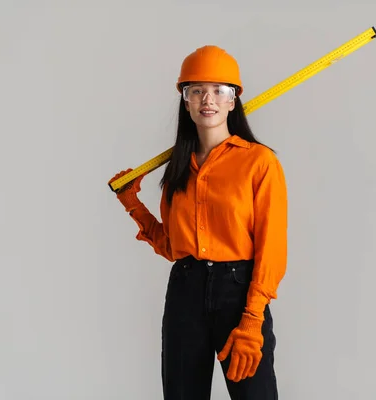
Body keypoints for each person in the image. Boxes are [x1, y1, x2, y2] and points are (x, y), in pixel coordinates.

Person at [108, 45, 287, 400]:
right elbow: (173, 246)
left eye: (220, 90)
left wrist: (252, 319)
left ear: (233, 100)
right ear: (185, 101)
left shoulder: (259, 163)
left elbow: (272, 246)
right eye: (196, 90)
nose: (209, 99)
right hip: (185, 291)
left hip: (239, 295)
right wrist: (133, 204)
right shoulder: (177, 169)